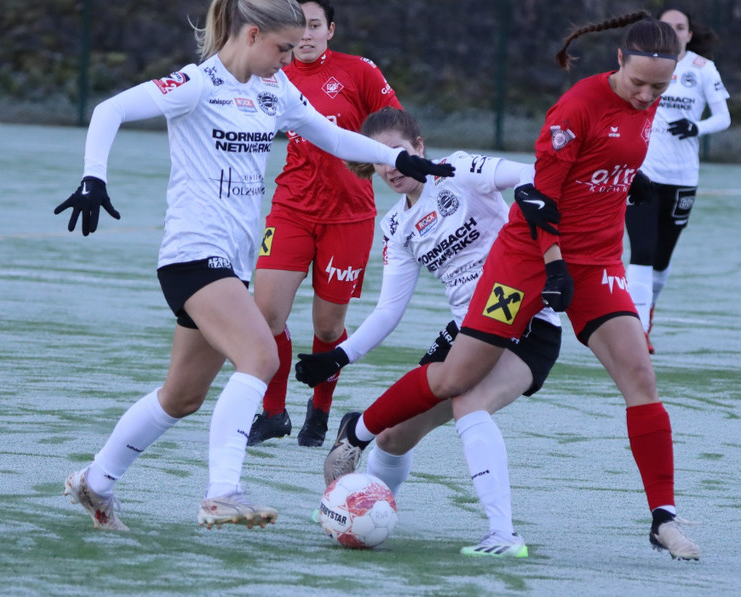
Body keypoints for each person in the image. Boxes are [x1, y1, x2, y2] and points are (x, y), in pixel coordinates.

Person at [53, 0, 453, 532]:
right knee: (260, 355)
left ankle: (96, 482)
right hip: (194, 254)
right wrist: (93, 177)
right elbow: (109, 110)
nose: (289, 59)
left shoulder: (274, 90)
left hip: (229, 264)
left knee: (181, 396)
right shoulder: (196, 84)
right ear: (251, 35)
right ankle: (221, 492)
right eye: (282, 48)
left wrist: (399, 158)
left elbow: (333, 137)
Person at [322, 11, 702, 560]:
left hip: (597, 261)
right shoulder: (575, 108)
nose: (647, 96)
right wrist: (552, 268)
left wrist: (625, 177)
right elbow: (538, 196)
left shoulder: (649, 102)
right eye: (639, 83)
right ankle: (359, 433)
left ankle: (663, 517)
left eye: (659, 88)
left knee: (641, 376)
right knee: (457, 379)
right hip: (525, 260)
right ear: (619, 59)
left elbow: (602, 158)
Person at [294, 107, 562, 557]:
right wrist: (339, 356)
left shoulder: (459, 170)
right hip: (467, 329)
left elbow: (528, 174)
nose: (389, 167)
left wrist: (534, 196)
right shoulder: (395, 225)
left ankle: (503, 534)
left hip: (526, 318)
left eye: (396, 152)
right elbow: (388, 310)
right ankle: (357, 503)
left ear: (419, 147)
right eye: (379, 160)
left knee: (470, 403)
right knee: (393, 438)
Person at [246, 0, 403, 448]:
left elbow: (395, 126)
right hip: (291, 208)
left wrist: (401, 166)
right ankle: (273, 412)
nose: (306, 35)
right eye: (299, 27)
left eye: (315, 25)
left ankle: (320, 411)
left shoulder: (359, 72)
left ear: (330, 30)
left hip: (349, 216)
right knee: (266, 315)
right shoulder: (272, 72)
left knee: (329, 328)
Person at [623, 7, 730, 353]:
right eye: (666, 26)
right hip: (643, 173)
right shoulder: (640, 66)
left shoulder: (702, 68)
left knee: (661, 258)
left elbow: (724, 117)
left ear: (688, 35)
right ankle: (637, 330)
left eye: (680, 27)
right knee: (641, 250)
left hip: (682, 177)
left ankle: (648, 310)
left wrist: (695, 127)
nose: (673, 32)